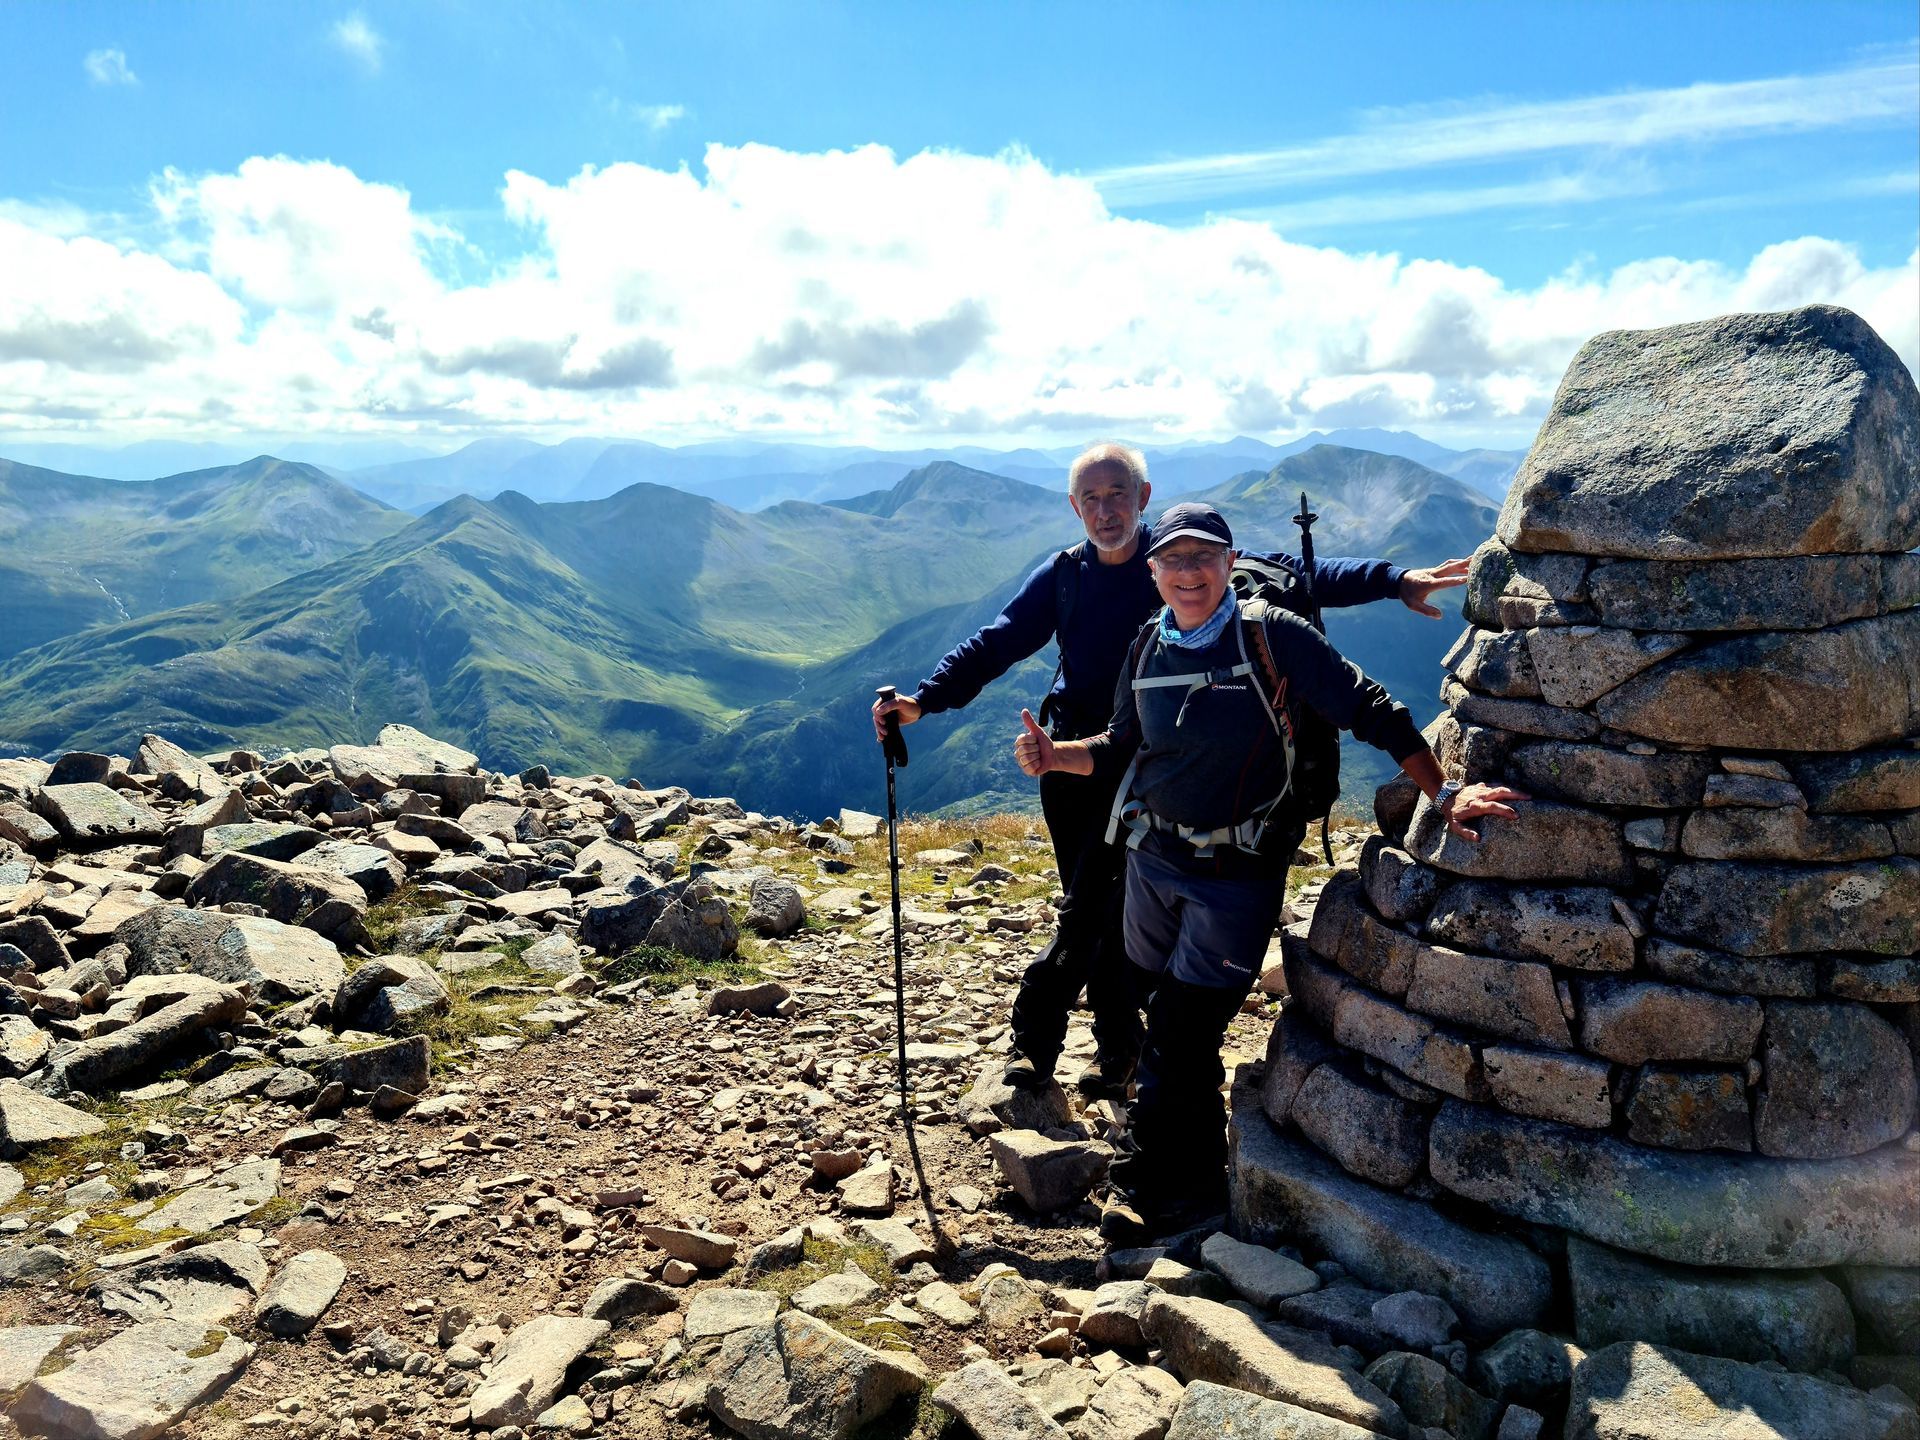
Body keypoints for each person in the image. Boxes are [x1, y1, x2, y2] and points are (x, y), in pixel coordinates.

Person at [874, 443, 1470, 1101]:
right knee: (1088, 911)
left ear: (1143, 498)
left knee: (1117, 919)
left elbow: (1300, 574)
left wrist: (1394, 579)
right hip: (1077, 765)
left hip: (1162, 771)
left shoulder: (1178, 560)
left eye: (1117, 495)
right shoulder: (1065, 577)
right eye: (1091, 499)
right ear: (1075, 506)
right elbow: (998, 640)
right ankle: (1047, 1052)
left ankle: (1118, 1055)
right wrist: (924, 700)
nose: (1105, 511)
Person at [1013, 501, 1524, 1244]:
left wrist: (1442, 792)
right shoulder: (1146, 645)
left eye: (1203, 558)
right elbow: (1125, 741)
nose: (1188, 573)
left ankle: (1148, 1187)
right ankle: (1196, 1171)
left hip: (1236, 872)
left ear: (1228, 562)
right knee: (1168, 1020)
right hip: (1154, 862)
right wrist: (1061, 756)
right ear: (1152, 571)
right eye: (1173, 560)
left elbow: (1371, 709)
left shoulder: (1272, 636)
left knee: (1183, 1033)